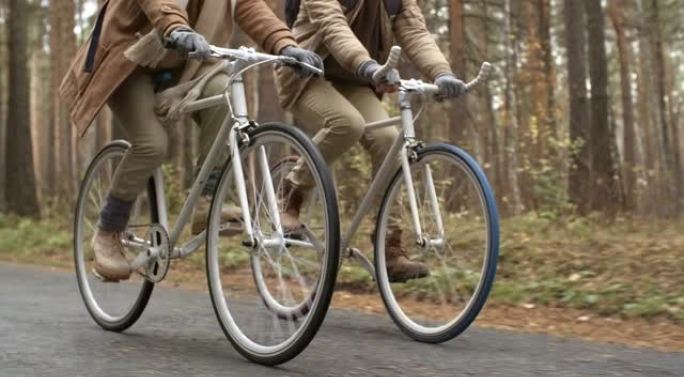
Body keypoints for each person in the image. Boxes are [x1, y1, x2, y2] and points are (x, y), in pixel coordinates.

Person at [60, 0, 323, 281]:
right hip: (131, 58)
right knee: (152, 144)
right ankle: (108, 230)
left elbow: (248, 6)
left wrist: (285, 44)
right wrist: (175, 27)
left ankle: (206, 201)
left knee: (225, 96)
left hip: (188, 62)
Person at [275, 0, 467, 282]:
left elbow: (415, 31)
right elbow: (332, 26)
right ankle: (290, 196)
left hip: (354, 79)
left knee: (388, 139)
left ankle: (388, 246)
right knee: (347, 124)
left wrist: (442, 72)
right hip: (307, 74)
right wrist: (366, 65)